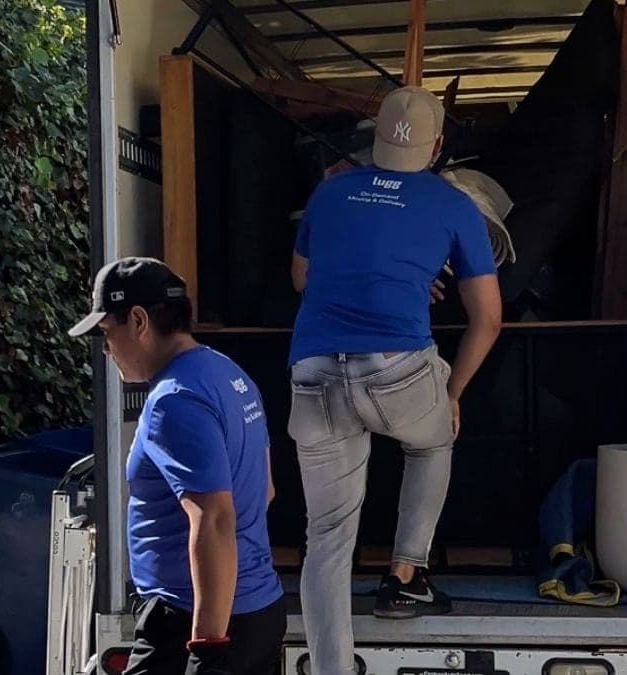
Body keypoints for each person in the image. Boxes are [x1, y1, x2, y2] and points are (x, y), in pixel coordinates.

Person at [289, 87, 503, 674]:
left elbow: (303, 279)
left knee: (326, 541)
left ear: (375, 139)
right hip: (395, 371)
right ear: (436, 147)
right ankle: (406, 575)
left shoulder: (329, 192)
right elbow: (488, 318)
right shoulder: (454, 205)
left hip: (313, 373)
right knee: (434, 437)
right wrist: (453, 393)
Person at [69, 257, 284, 675]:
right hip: (256, 611)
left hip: (193, 624)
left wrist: (208, 649)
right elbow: (265, 491)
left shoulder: (173, 400)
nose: (106, 348)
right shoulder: (228, 374)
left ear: (137, 321)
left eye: (105, 333)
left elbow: (215, 519)